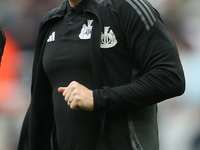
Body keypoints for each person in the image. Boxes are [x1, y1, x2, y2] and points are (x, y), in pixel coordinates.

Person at [18, 0, 185, 149]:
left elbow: (170, 76)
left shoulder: (128, 8)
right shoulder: (50, 21)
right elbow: (40, 106)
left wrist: (97, 98)